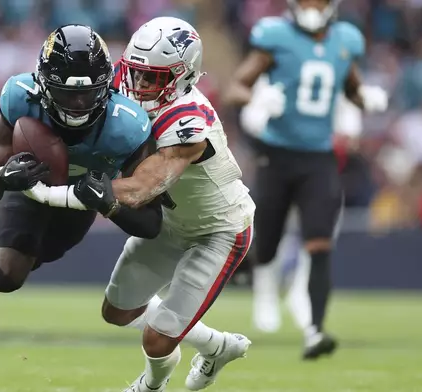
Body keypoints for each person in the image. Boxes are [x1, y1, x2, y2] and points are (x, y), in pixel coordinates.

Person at [25, 17, 255, 392]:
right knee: (116, 311)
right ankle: (218, 347)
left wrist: (47, 193)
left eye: (155, 78)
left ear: (184, 77)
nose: (141, 85)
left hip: (219, 230)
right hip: (170, 225)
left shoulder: (189, 121)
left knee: (157, 339)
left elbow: (142, 188)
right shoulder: (119, 81)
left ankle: (150, 386)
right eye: (137, 73)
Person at [0, 24, 164, 359]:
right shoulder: (19, 98)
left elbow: (151, 224)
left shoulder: (129, 126)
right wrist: (3, 180)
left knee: (37, 256)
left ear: (106, 87)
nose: (79, 104)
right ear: (43, 85)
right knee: (8, 275)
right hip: (30, 187)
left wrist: (110, 205)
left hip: (80, 198)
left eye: (88, 92)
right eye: (68, 92)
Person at [224, 0, 388, 359]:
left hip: (318, 157)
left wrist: (365, 97)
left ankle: (315, 329)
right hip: (276, 155)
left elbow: (350, 85)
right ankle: (264, 292)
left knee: (319, 242)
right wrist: (257, 98)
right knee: (266, 242)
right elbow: (235, 87)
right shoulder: (276, 36)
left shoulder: (345, 39)